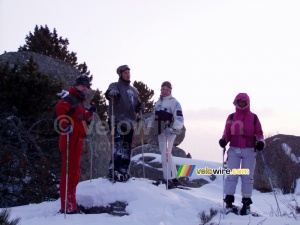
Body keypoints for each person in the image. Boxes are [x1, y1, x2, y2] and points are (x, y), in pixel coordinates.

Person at [55, 74, 96, 214]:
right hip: (70, 140)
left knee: (74, 174)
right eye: (82, 85)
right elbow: (60, 109)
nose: (85, 88)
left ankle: (71, 205)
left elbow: (81, 118)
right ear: (76, 85)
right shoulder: (71, 98)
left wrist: (90, 112)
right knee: (70, 174)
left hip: (77, 141)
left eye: (87, 86)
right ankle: (67, 207)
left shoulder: (79, 101)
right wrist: (64, 125)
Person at [219, 93, 265, 215]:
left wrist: (261, 142)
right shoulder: (231, 117)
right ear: (236, 103)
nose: (241, 104)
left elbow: (259, 133)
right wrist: (224, 139)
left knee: (247, 176)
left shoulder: (254, 117)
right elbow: (227, 132)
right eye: (239, 102)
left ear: (248, 103)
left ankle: (246, 203)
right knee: (232, 175)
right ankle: (229, 202)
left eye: (244, 102)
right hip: (234, 149)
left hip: (249, 150)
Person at [105, 65, 144, 182]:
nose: (128, 74)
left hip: (130, 123)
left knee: (127, 148)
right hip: (117, 120)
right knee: (118, 146)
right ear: (120, 74)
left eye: (128, 72)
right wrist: (112, 93)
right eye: (125, 72)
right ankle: (114, 170)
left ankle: (124, 170)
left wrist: (140, 106)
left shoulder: (134, 90)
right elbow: (108, 93)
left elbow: (136, 107)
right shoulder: (115, 85)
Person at [152, 81, 184, 189]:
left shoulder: (174, 102)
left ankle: (168, 179)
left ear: (170, 91)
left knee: (165, 154)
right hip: (160, 132)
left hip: (169, 132)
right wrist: (142, 121)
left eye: (166, 89)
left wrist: (173, 129)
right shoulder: (158, 103)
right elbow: (153, 117)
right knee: (167, 153)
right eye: (162, 89)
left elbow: (179, 117)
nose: (164, 91)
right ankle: (174, 178)